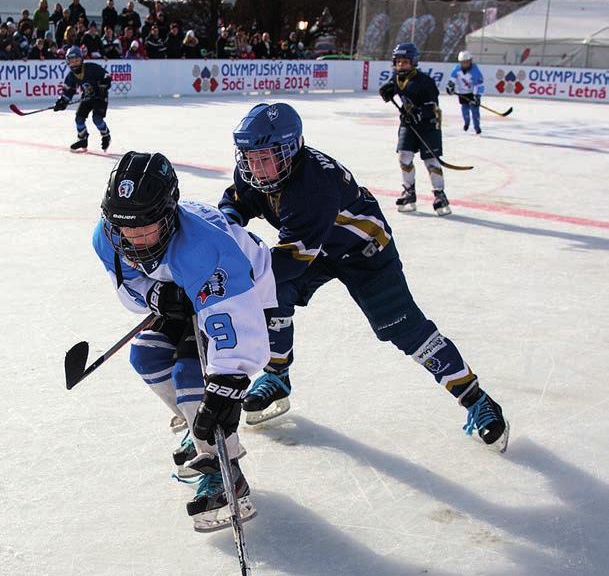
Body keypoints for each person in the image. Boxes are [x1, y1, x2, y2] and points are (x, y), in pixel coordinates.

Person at [218, 102, 509, 453]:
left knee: (406, 330)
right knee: (272, 292)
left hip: (365, 252)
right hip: (316, 247)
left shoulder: (313, 186)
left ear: (290, 150)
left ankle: (476, 398)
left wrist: (234, 274)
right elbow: (235, 203)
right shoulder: (256, 171)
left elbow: (291, 260)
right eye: (249, 157)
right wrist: (225, 234)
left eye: (264, 157)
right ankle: (277, 376)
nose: (254, 167)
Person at [94, 151, 277, 529]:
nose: (135, 240)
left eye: (146, 227)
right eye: (125, 228)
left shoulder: (204, 247)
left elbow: (236, 325)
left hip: (243, 293)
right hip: (187, 287)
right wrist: (157, 295)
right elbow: (131, 287)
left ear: (169, 213)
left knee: (195, 377)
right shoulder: (108, 236)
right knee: (145, 356)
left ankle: (227, 475)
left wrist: (229, 382)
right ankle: (200, 434)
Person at [379, 42, 451, 216]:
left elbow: (433, 105)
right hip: (408, 124)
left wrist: (420, 113)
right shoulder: (396, 78)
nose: (401, 65)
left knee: (431, 161)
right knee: (404, 156)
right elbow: (390, 90)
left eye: (405, 62)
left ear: (414, 62)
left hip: (428, 126)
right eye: (398, 61)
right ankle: (409, 191)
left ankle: (439, 194)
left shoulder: (425, 81)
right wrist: (386, 92)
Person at [53, 46, 112, 151]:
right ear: (67, 61)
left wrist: (102, 87)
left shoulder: (91, 68)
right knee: (79, 118)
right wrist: (62, 101)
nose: (74, 63)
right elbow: (69, 91)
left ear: (81, 59)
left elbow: (107, 77)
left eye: (77, 60)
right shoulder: (71, 76)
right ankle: (82, 139)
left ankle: (106, 135)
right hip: (87, 97)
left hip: (100, 97)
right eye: (72, 61)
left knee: (97, 119)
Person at [447, 50, 484, 134]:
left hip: (472, 93)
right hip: (462, 93)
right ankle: (466, 122)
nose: (464, 64)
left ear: (470, 61)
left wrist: (478, 96)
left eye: (466, 62)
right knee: (464, 110)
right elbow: (452, 80)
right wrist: (450, 87)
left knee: (475, 111)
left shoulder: (475, 71)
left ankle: (477, 127)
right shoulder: (456, 69)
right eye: (462, 62)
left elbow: (480, 85)